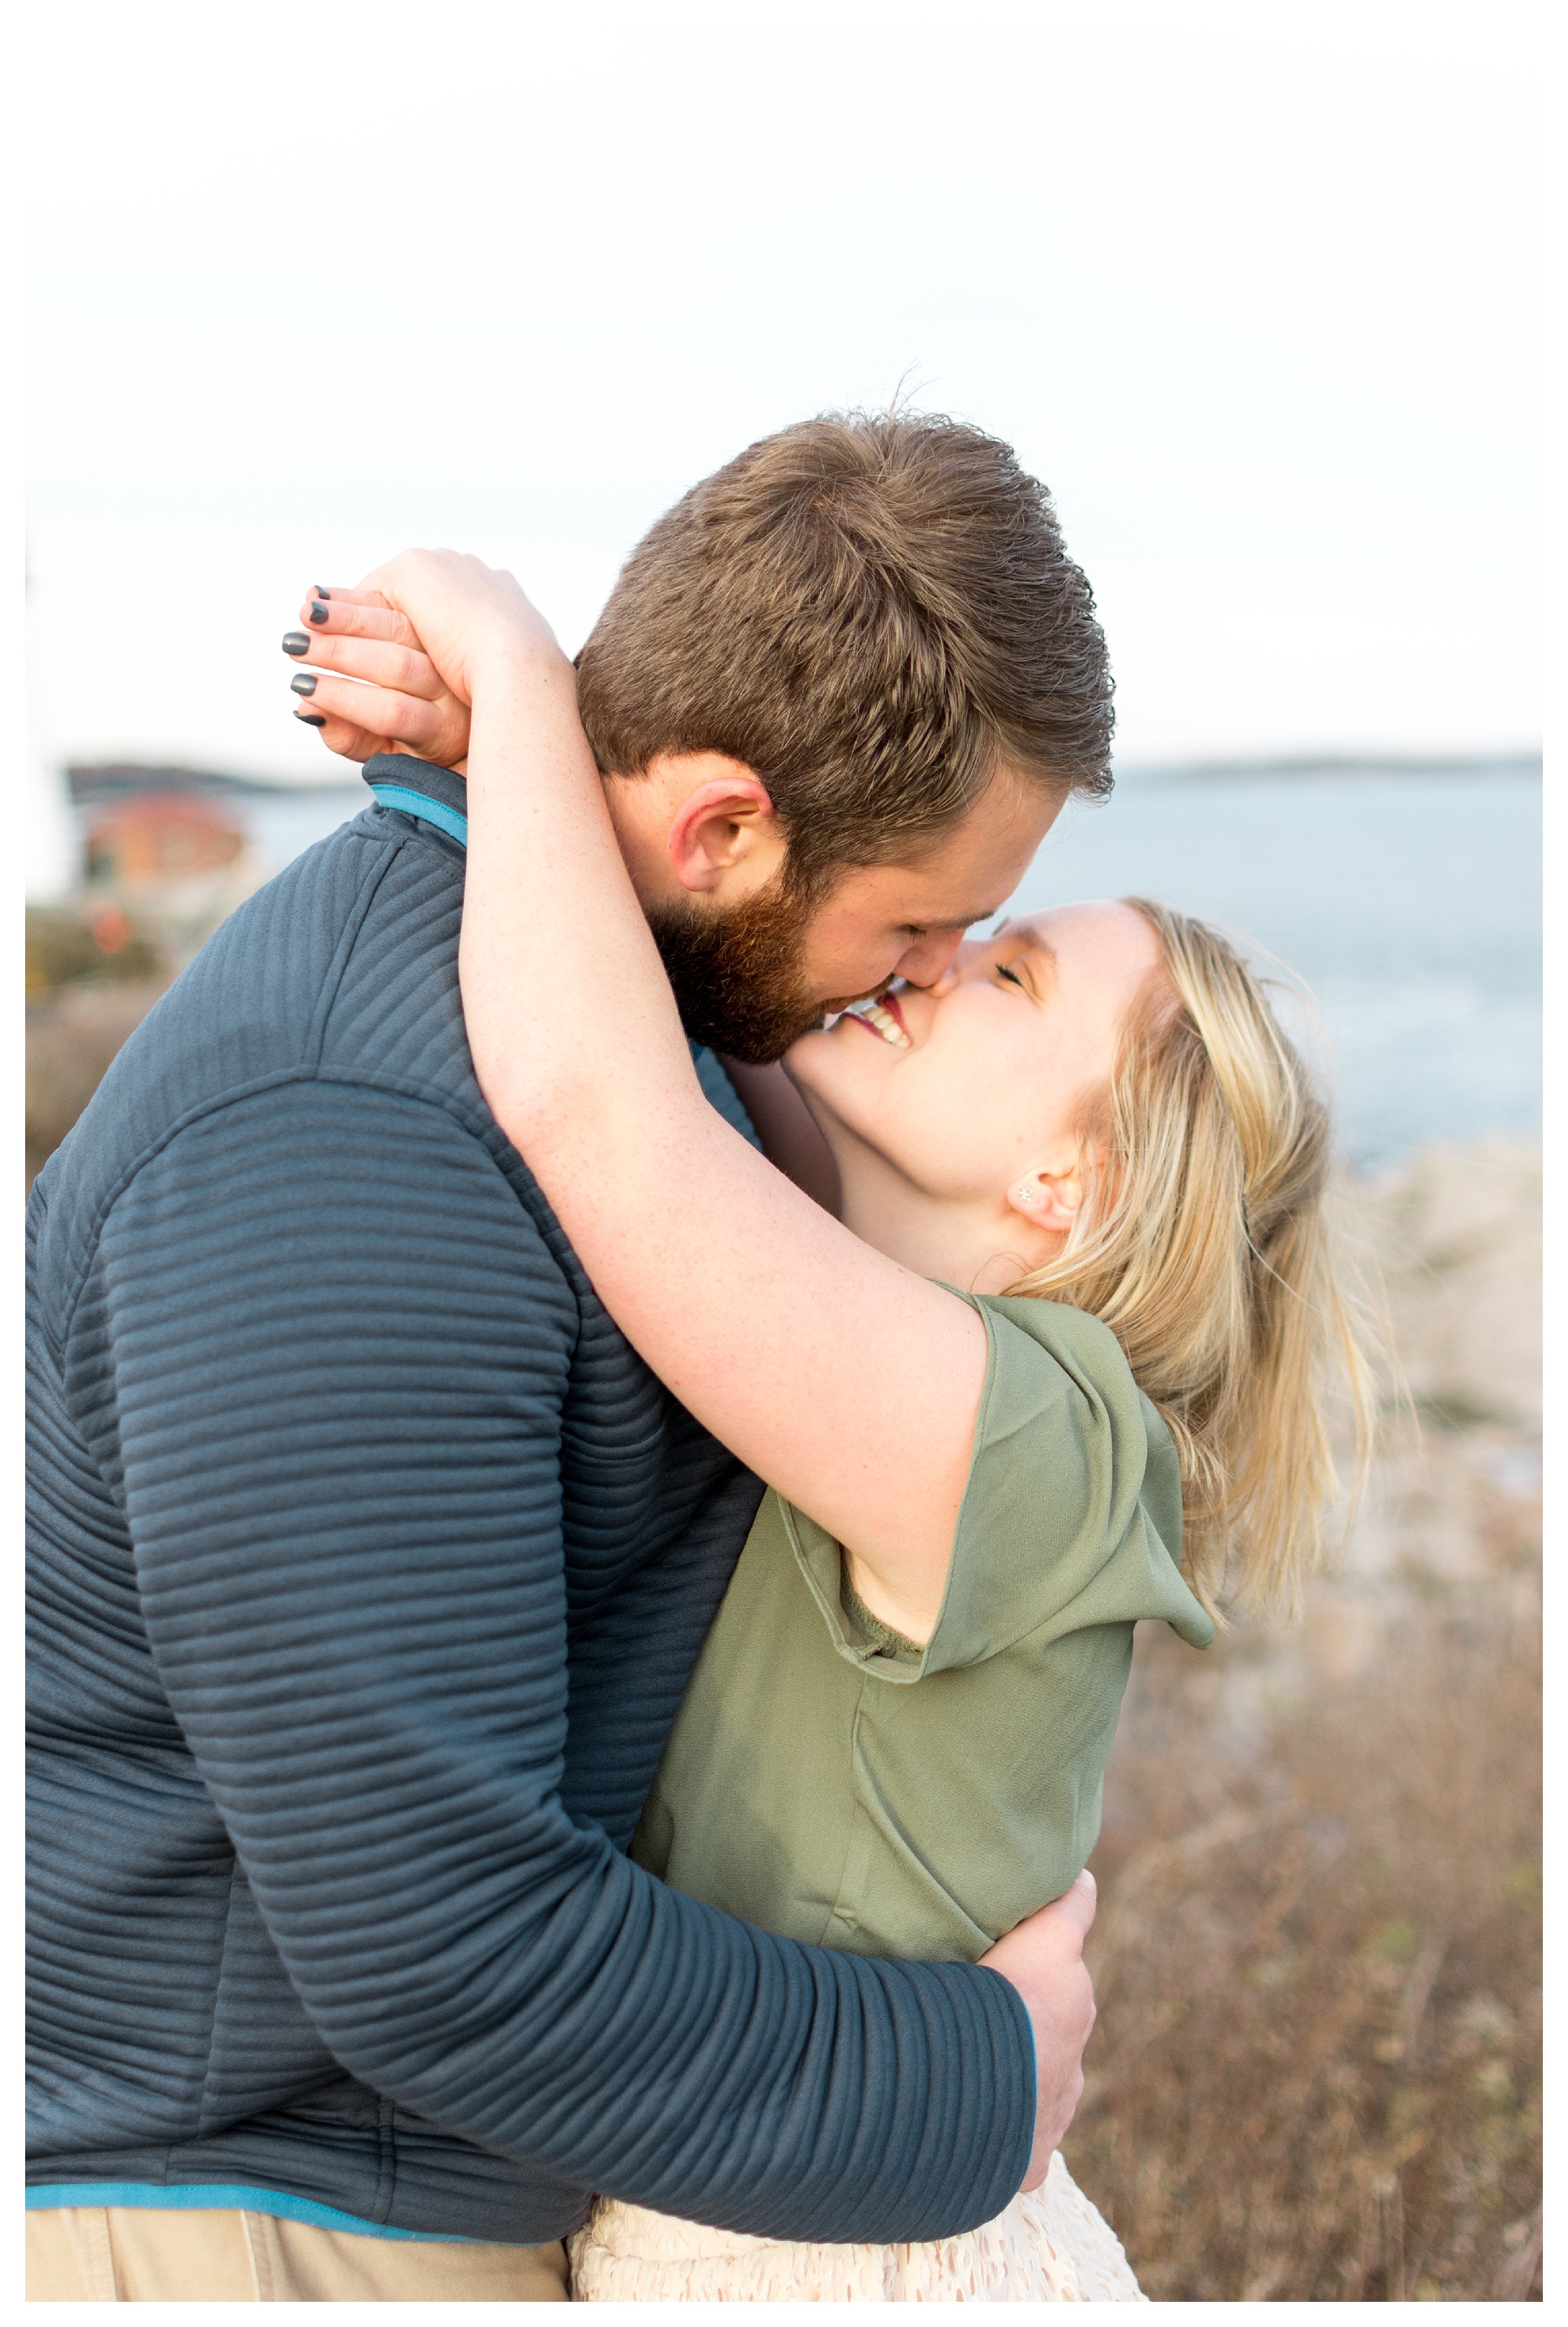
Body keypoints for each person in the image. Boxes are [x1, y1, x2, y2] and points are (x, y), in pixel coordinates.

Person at [28, 413, 1116, 2303]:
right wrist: (972, 2079)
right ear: (719, 830)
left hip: (411, 2184)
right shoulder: (345, 1135)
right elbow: (432, 1939)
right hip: (261, 2223)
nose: (920, 973)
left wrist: (520, 705)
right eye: (920, 921)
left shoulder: (634, 1036)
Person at [330, 546, 1373, 2301]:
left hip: (847, 2257)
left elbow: (598, 1098)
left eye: (1012, 978)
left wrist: (517, 672)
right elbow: (683, 982)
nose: (940, 957)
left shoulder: (1042, 1440)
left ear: (1070, 1174)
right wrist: (543, 777)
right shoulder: (889, 1322)